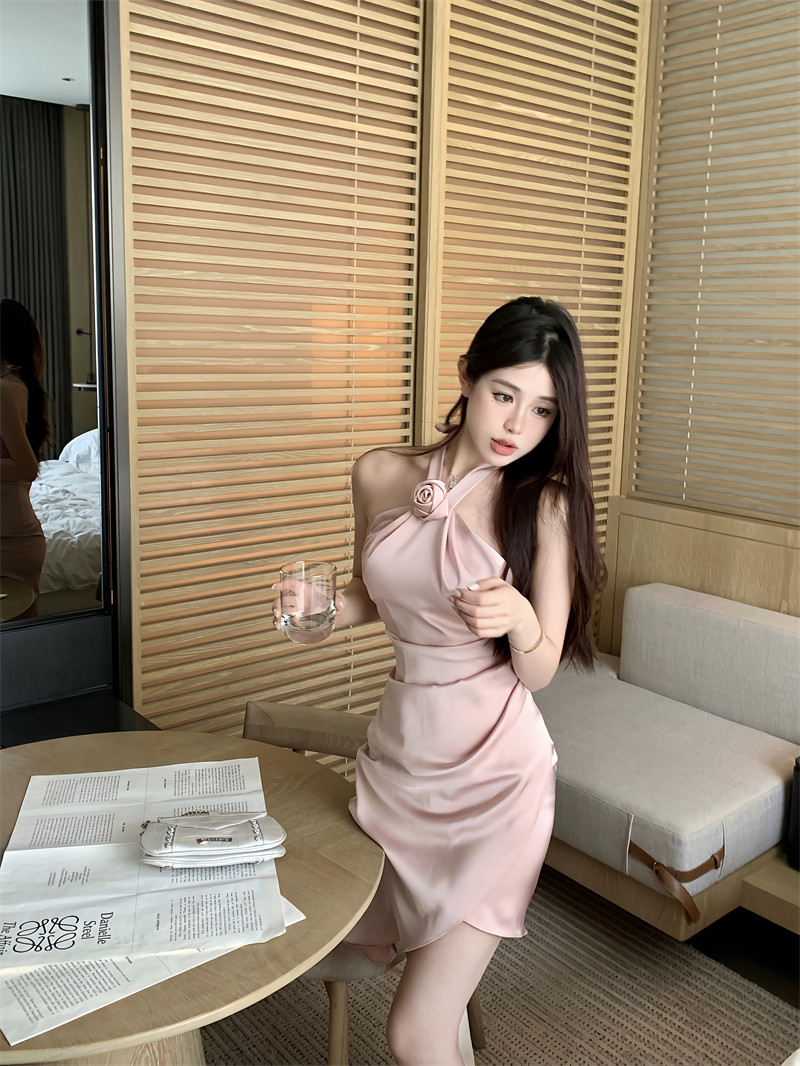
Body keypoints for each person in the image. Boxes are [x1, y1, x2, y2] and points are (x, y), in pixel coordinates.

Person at [275, 296, 604, 1064]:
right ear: (466, 375)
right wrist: (323, 613)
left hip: (497, 781)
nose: (517, 425)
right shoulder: (378, 474)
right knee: (407, 987)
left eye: (543, 410)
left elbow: (540, 668)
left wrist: (520, 618)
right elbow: (375, 593)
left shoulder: (545, 505)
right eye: (504, 394)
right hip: (402, 761)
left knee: (413, 1030)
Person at [0, 298, 49, 618]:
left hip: (9, 540)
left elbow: (26, 467)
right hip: (10, 532)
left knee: (19, 639)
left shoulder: (6, 388)